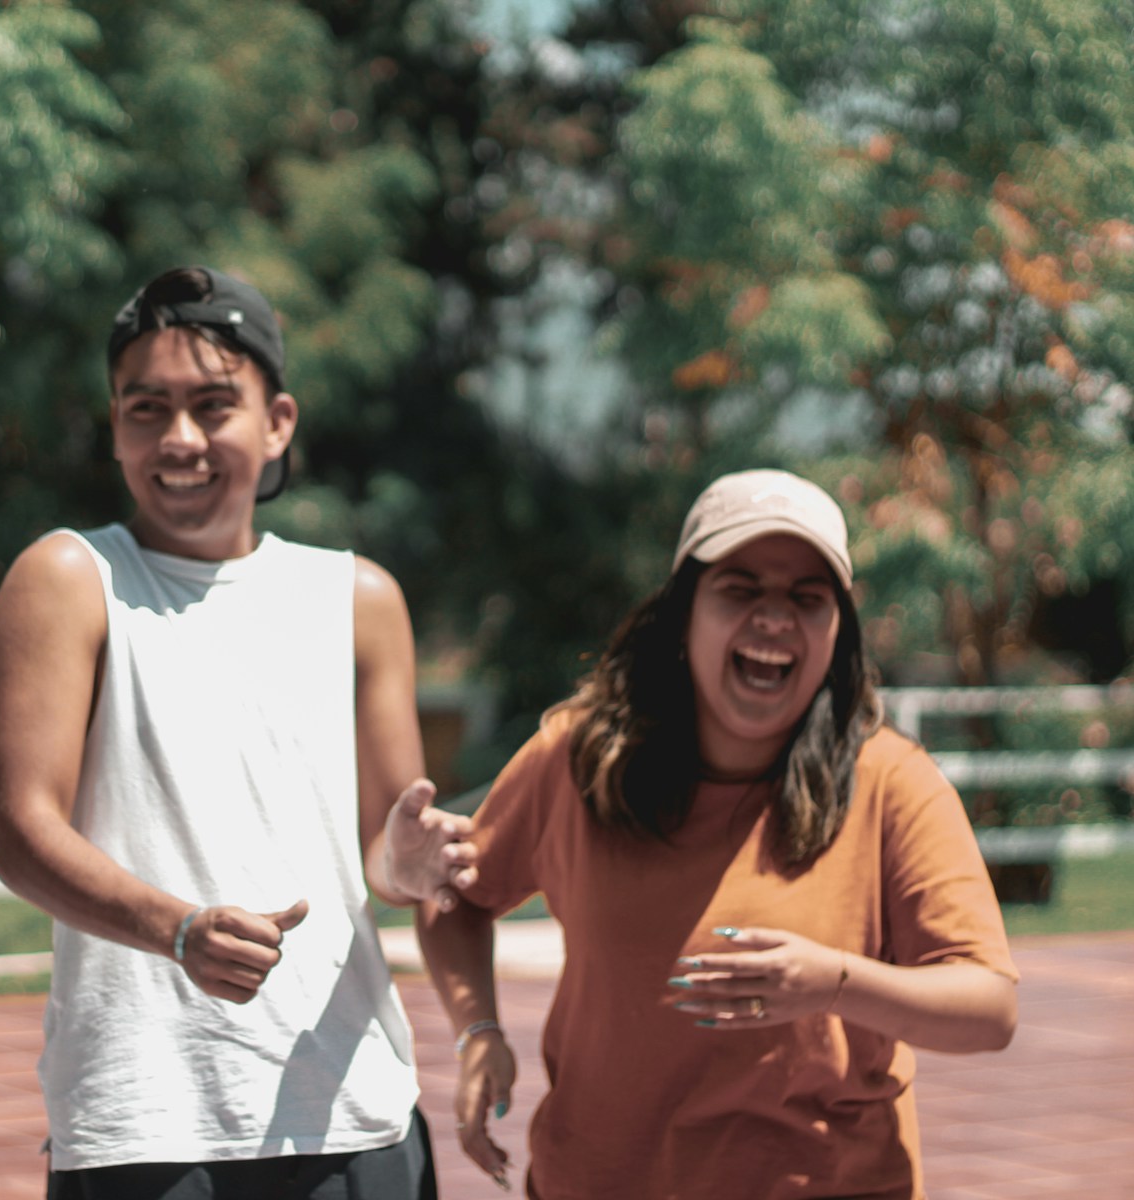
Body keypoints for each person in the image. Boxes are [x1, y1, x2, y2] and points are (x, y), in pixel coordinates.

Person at [0, 266, 477, 1200]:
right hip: (146, 1124)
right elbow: (22, 835)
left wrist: (411, 864)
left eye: (215, 406)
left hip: (351, 1110)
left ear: (278, 421)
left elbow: (386, 854)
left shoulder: (359, 599)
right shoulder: (66, 578)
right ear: (115, 423)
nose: (180, 439)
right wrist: (179, 931)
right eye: (146, 408)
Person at [416, 468, 1019, 1200]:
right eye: (741, 589)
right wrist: (477, 1032)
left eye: (808, 597)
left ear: (839, 629)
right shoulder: (578, 759)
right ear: (682, 614)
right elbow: (453, 895)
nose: (774, 619)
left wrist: (834, 983)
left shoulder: (893, 782)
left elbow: (988, 1009)